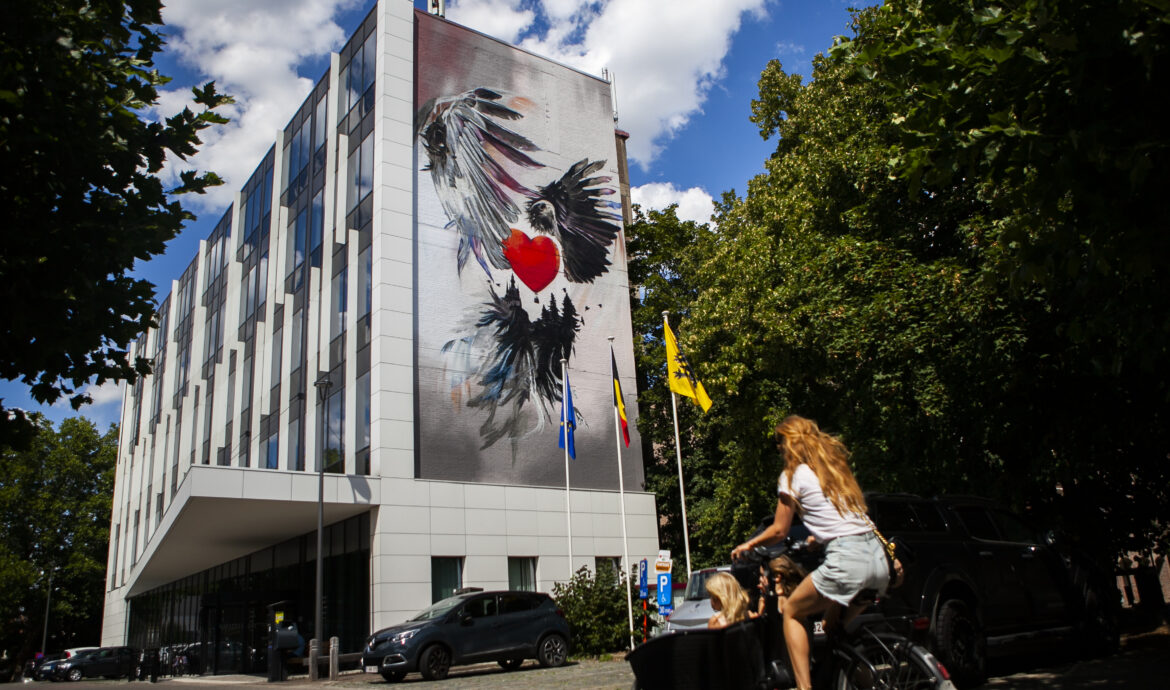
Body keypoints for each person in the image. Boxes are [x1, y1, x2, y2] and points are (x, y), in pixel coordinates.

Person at [731, 415, 888, 690]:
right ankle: (873, 684)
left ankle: (805, 688)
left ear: (789, 443)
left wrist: (749, 544)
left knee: (792, 611)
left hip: (846, 560)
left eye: (780, 442)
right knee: (832, 629)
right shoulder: (834, 469)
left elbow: (780, 530)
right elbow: (845, 517)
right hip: (877, 558)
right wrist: (818, 538)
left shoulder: (792, 475)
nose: (779, 448)